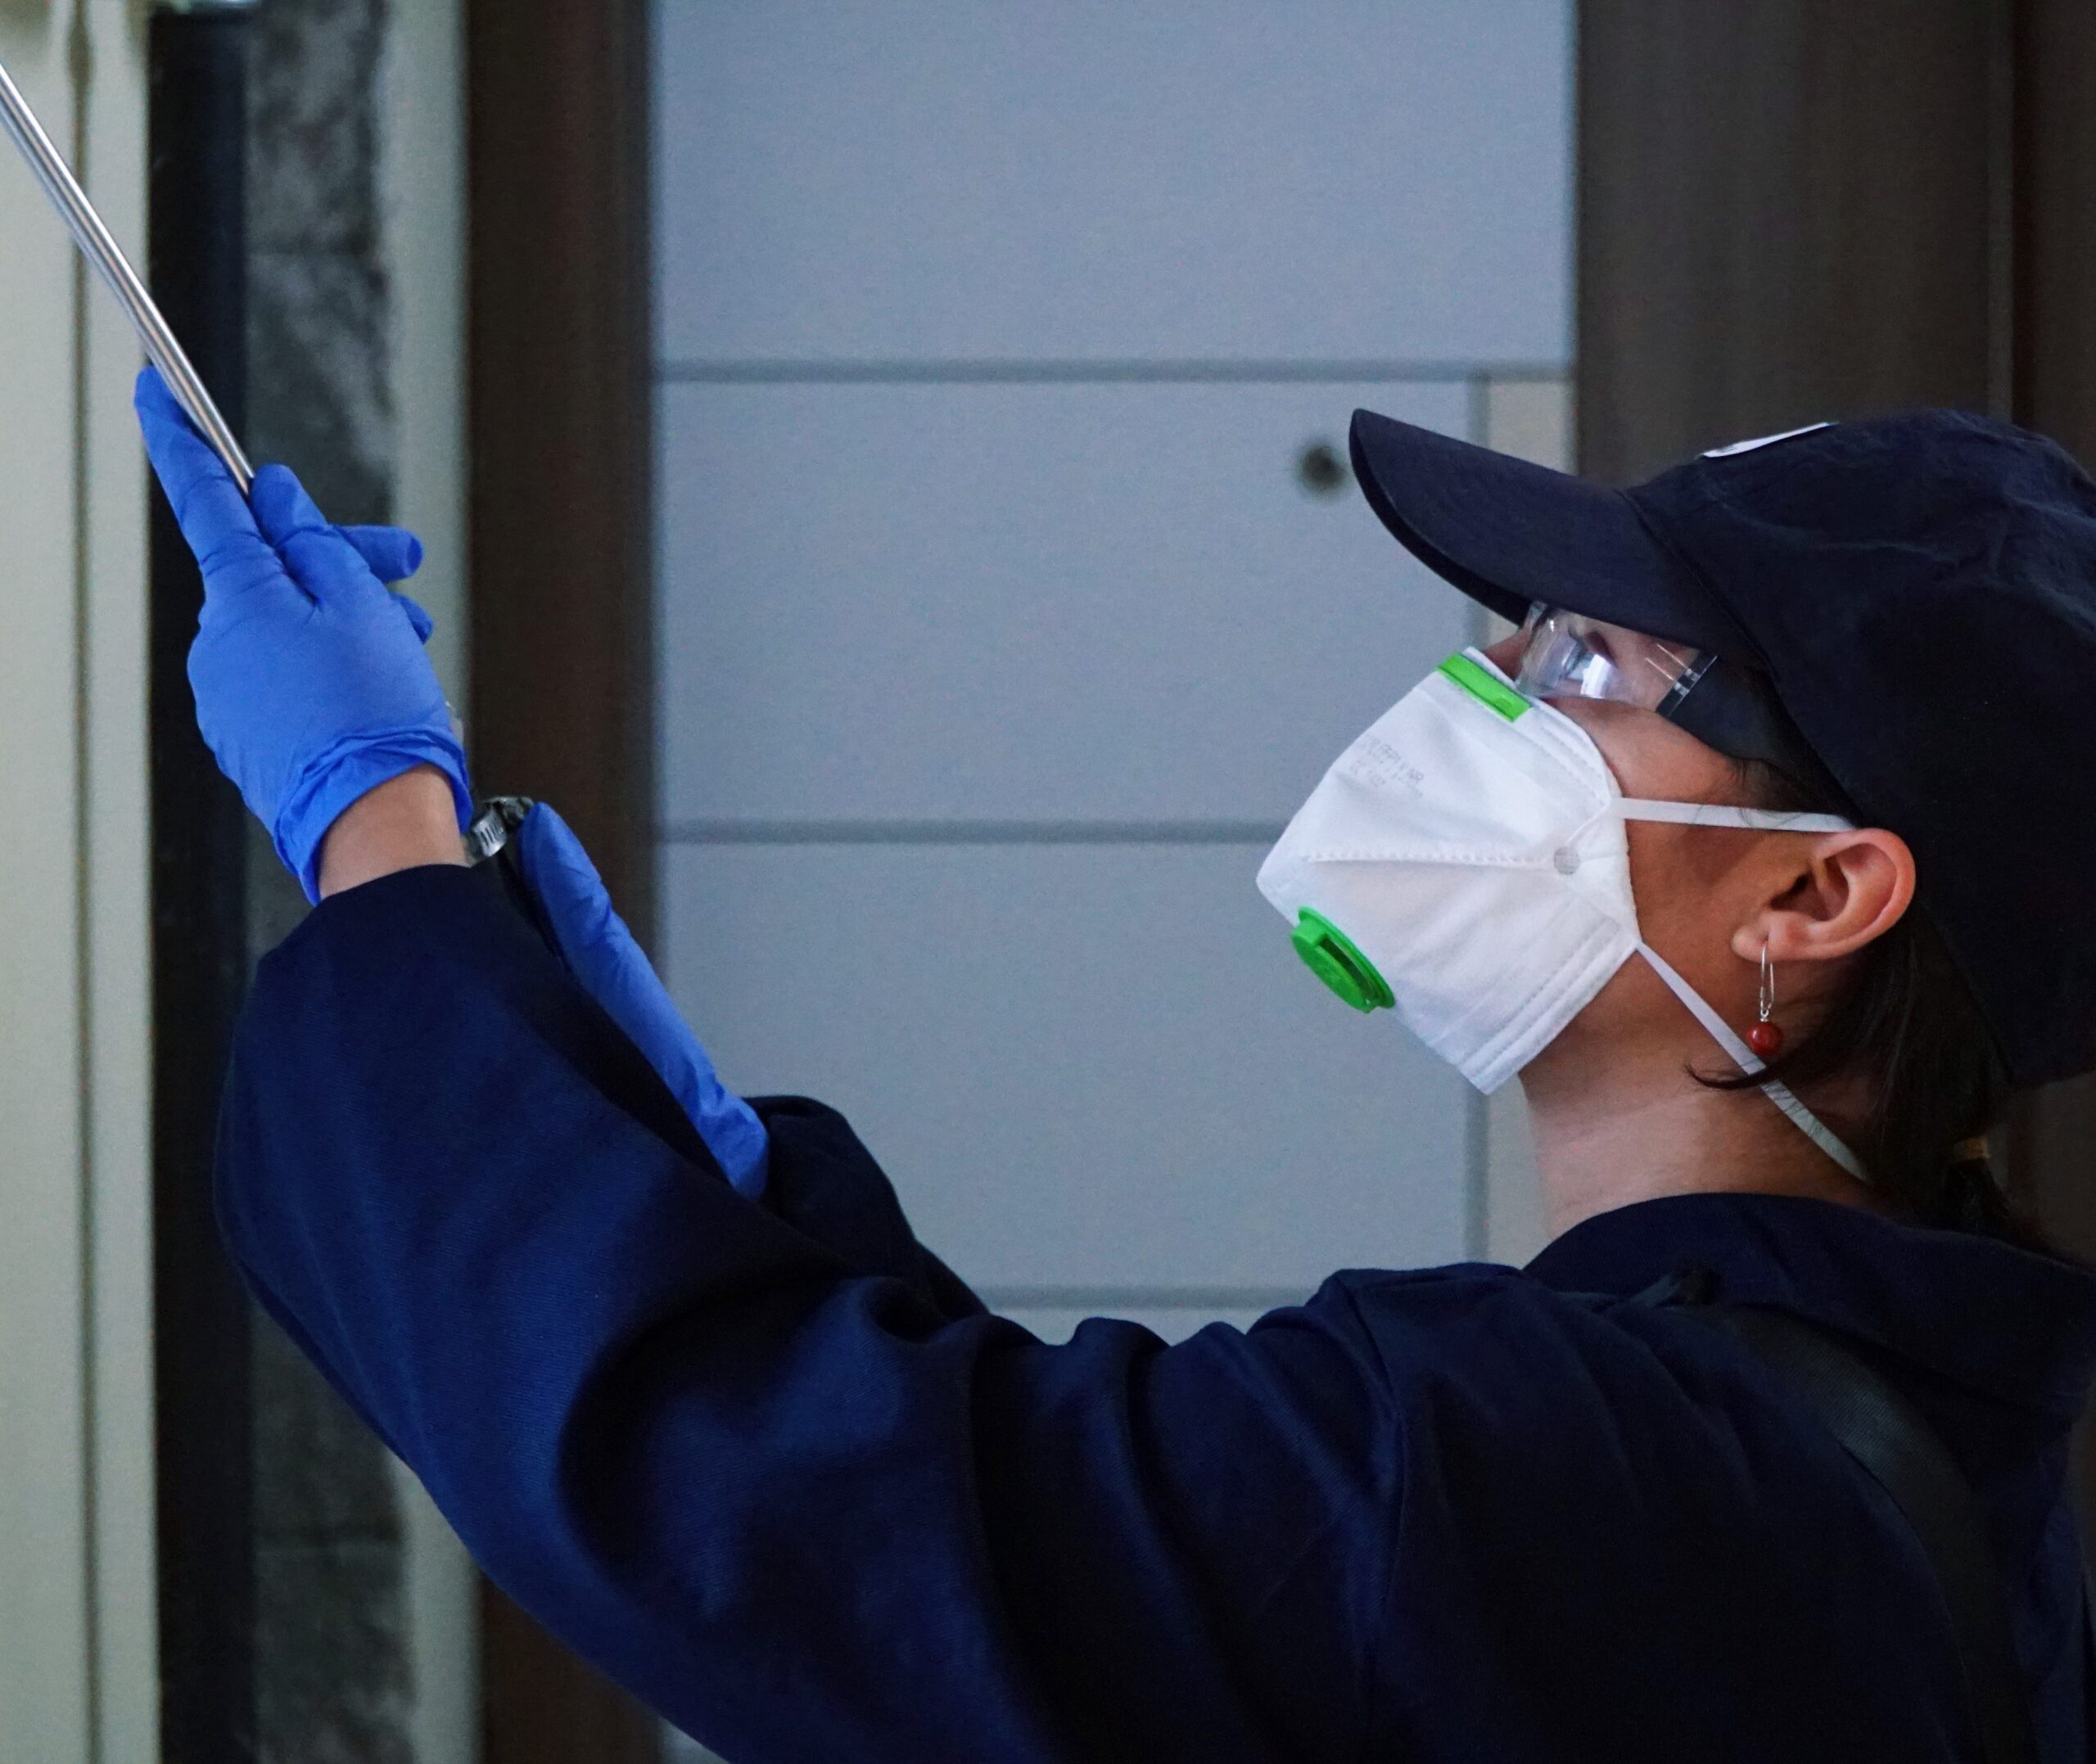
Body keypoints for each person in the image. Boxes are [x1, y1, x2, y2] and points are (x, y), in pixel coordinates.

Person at [137, 366, 2096, 1762]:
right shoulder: (1848, 1447)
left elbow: (793, 1521)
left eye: (1587, 666)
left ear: (1815, 894)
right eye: (1518, 631)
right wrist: (717, 1189)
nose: (1476, 696)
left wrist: (373, 833)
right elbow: (1080, 1566)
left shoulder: (1593, 1462)